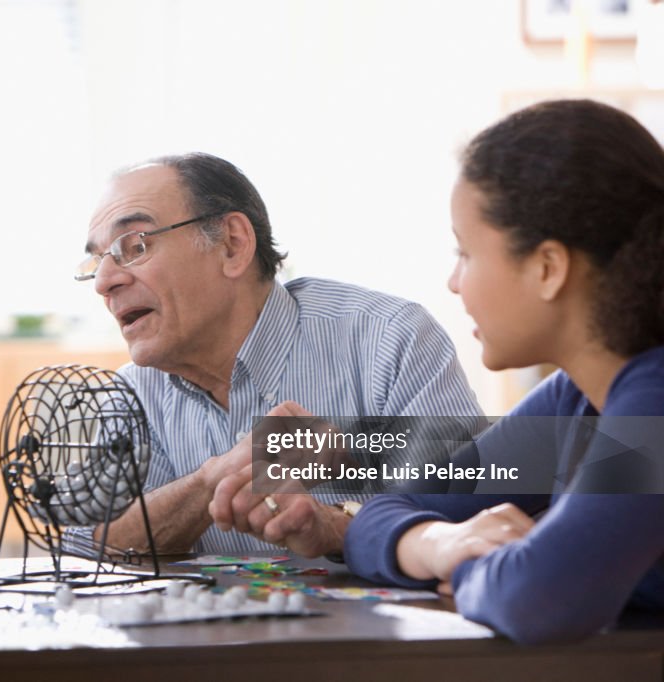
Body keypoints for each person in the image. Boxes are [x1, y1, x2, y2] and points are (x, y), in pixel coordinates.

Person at [244, 99, 664, 643]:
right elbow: (399, 503)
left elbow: (536, 598)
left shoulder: (653, 406)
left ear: (547, 268)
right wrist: (434, 543)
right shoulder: (575, 398)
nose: (453, 282)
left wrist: (484, 564)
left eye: (465, 253)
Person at [68, 152, 481, 557]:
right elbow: (89, 543)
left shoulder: (388, 339)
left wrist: (335, 524)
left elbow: (470, 519)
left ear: (232, 244)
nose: (104, 282)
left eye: (135, 245)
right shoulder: (134, 392)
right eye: (96, 261)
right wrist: (216, 478)